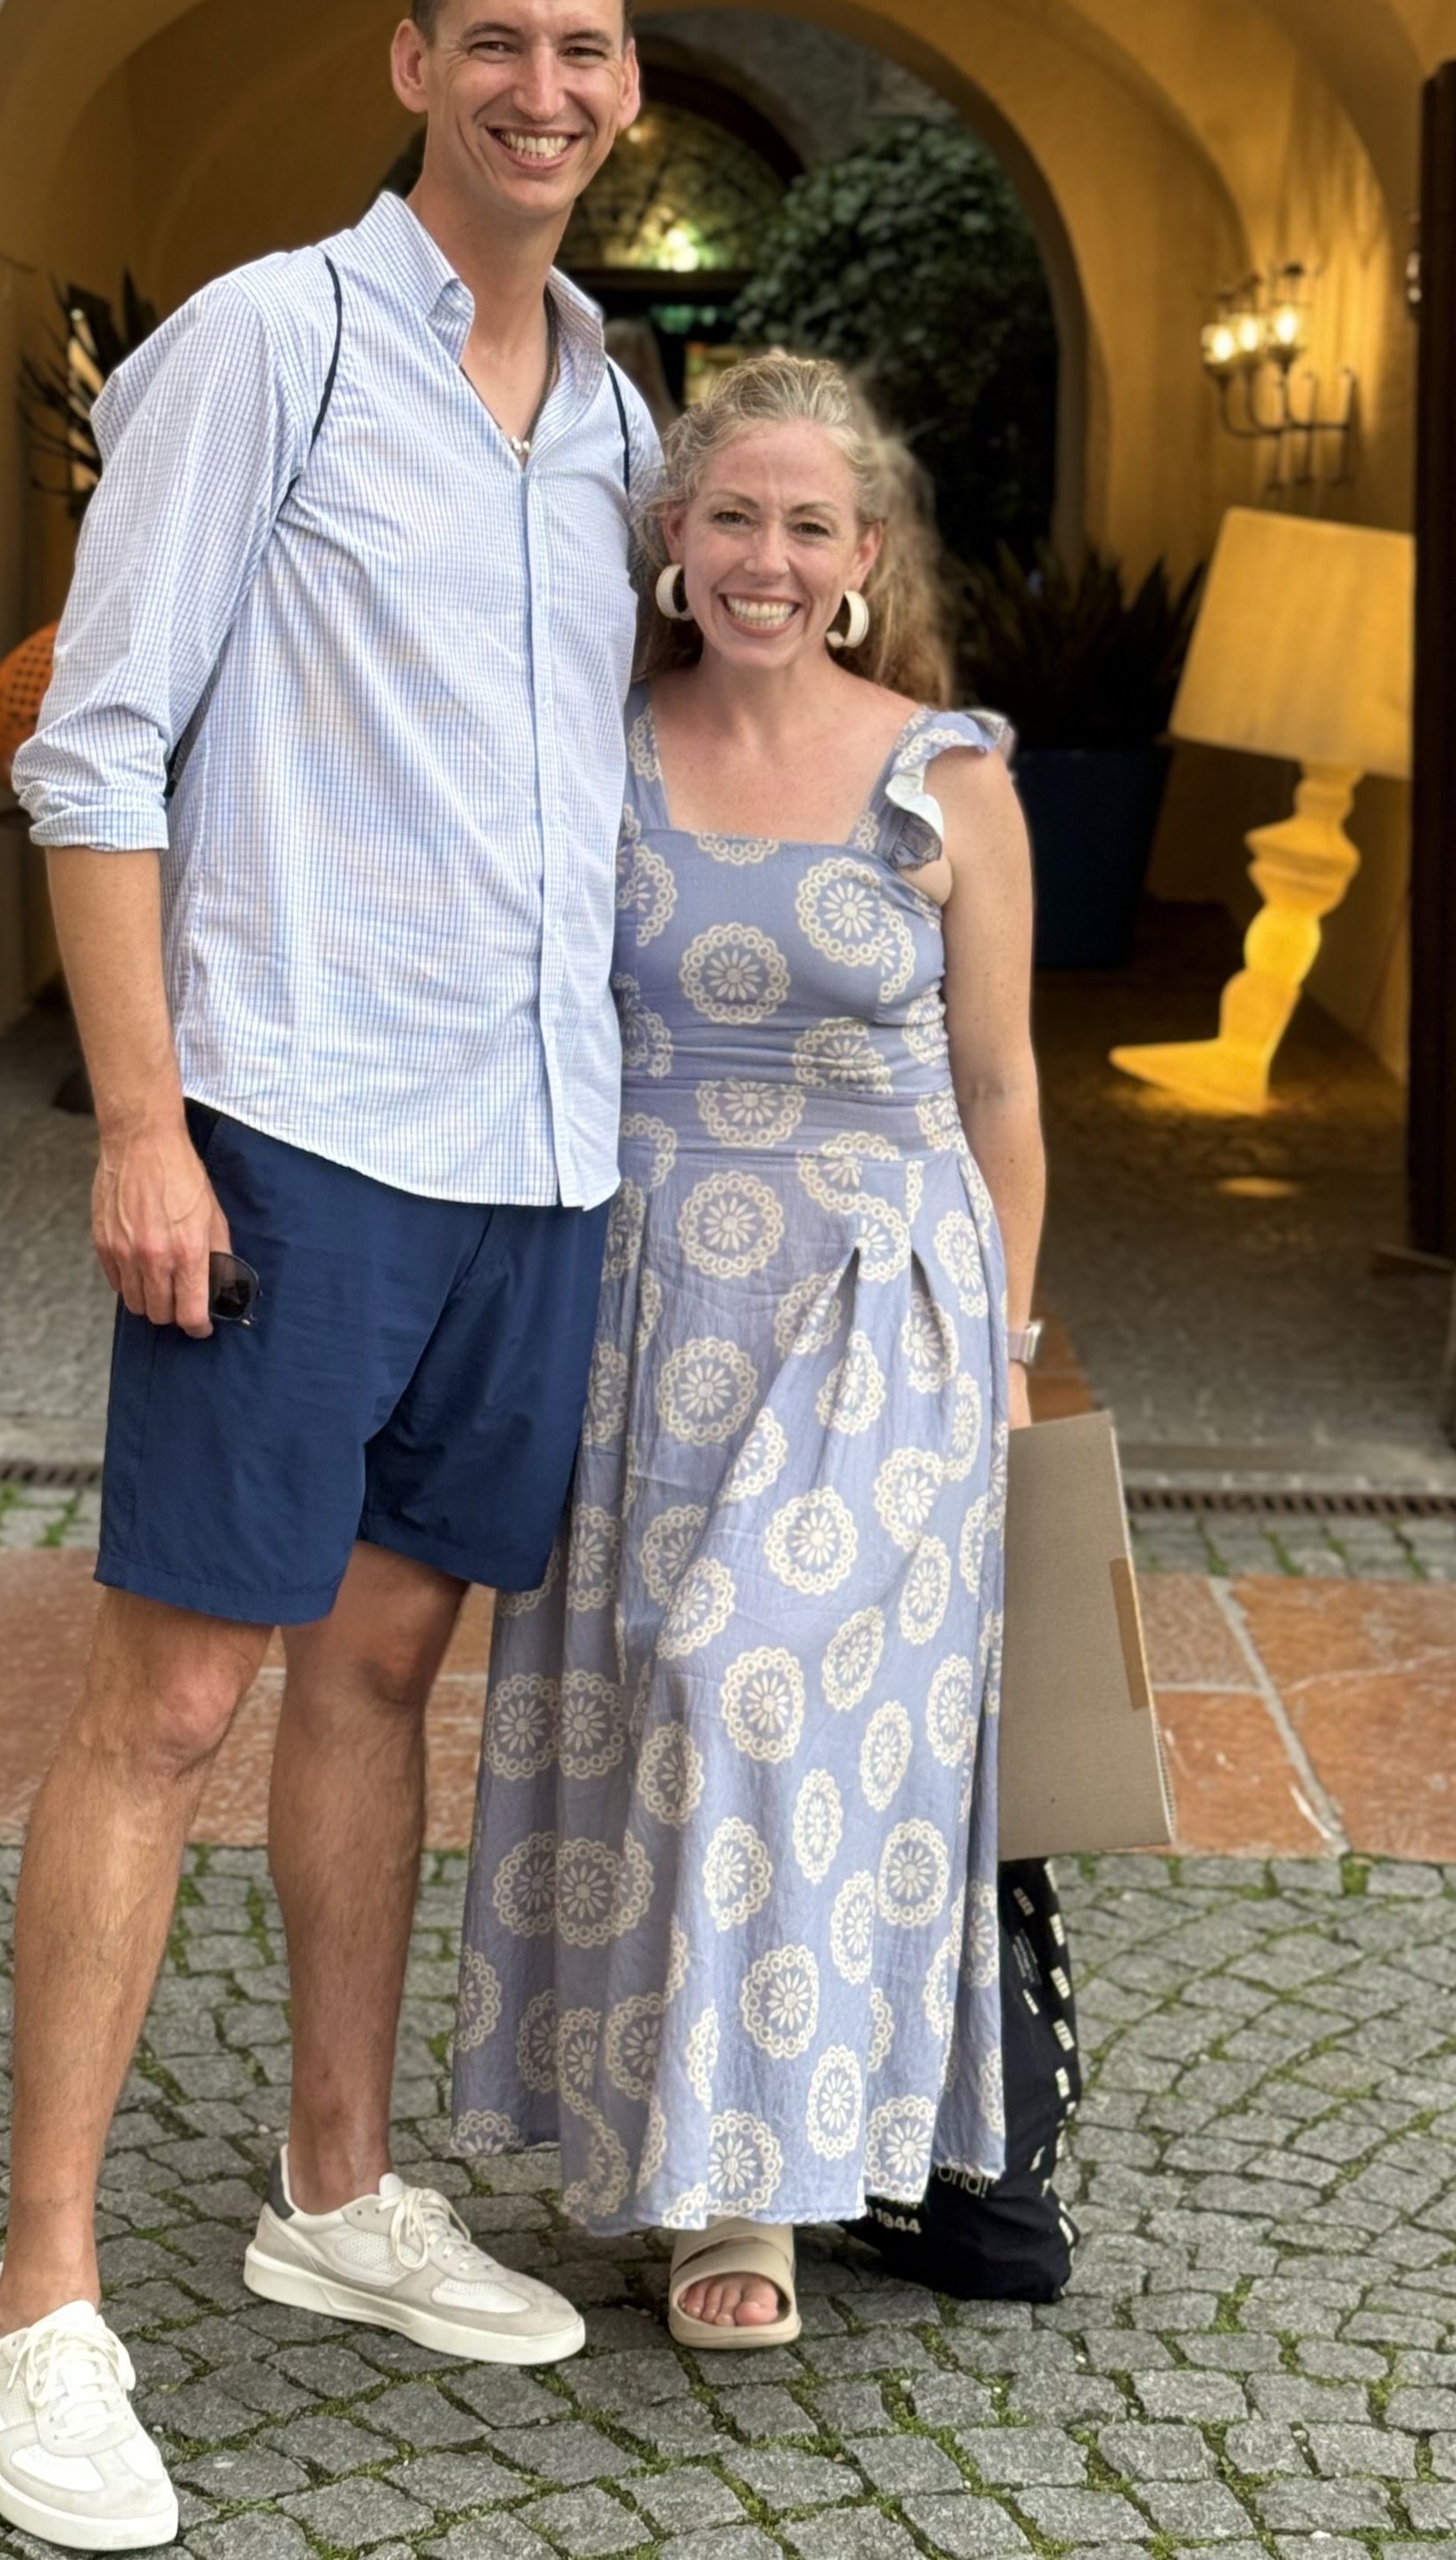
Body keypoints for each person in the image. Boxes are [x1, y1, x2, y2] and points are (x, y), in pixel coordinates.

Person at [0, 0, 650, 2552]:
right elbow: (93, 748)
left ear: (620, 80)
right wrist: (143, 1122)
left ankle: (334, 2191)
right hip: (293, 1125)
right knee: (168, 1697)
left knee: (385, 1669)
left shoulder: (607, 398)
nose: (544, 90)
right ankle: (35, 2302)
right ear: (412, 66)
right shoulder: (267, 337)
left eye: (584, 50)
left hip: (531, 1143)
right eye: (497, 43)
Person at [451, 351, 1047, 2342]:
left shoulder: (946, 774)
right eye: (731, 519)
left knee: (745, 1677)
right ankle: (655, 2150)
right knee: (626, 1704)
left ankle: (754, 2194)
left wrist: (1011, 1352)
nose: (766, 558)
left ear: (861, 558)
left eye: (807, 526)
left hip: (877, 1307)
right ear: (672, 545)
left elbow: (1000, 1089)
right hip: (633, 1297)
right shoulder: (593, 745)